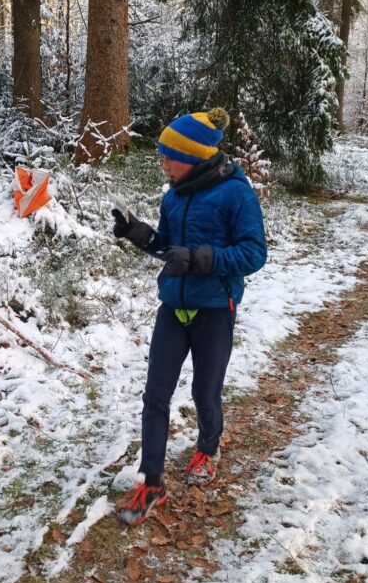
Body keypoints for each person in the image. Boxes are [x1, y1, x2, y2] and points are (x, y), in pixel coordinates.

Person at [112, 109, 267, 526]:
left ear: (193, 157)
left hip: (215, 309)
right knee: (155, 395)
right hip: (173, 306)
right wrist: (139, 234)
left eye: (169, 157)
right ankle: (152, 481)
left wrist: (200, 259)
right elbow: (169, 249)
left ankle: (207, 448)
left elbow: (254, 254)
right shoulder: (173, 196)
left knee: (204, 391)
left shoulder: (237, 195)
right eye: (162, 156)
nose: (163, 164)